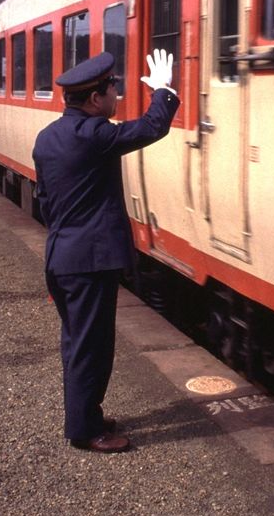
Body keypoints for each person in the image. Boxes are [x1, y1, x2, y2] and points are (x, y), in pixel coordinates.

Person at [32, 48, 180, 453]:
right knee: (91, 347)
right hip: (89, 263)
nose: (117, 94)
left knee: (77, 343)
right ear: (95, 99)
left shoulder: (47, 138)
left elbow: (43, 199)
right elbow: (150, 128)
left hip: (62, 258)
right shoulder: (94, 135)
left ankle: (87, 416)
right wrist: (163, 90)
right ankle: (85, 431)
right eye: (113, 88)